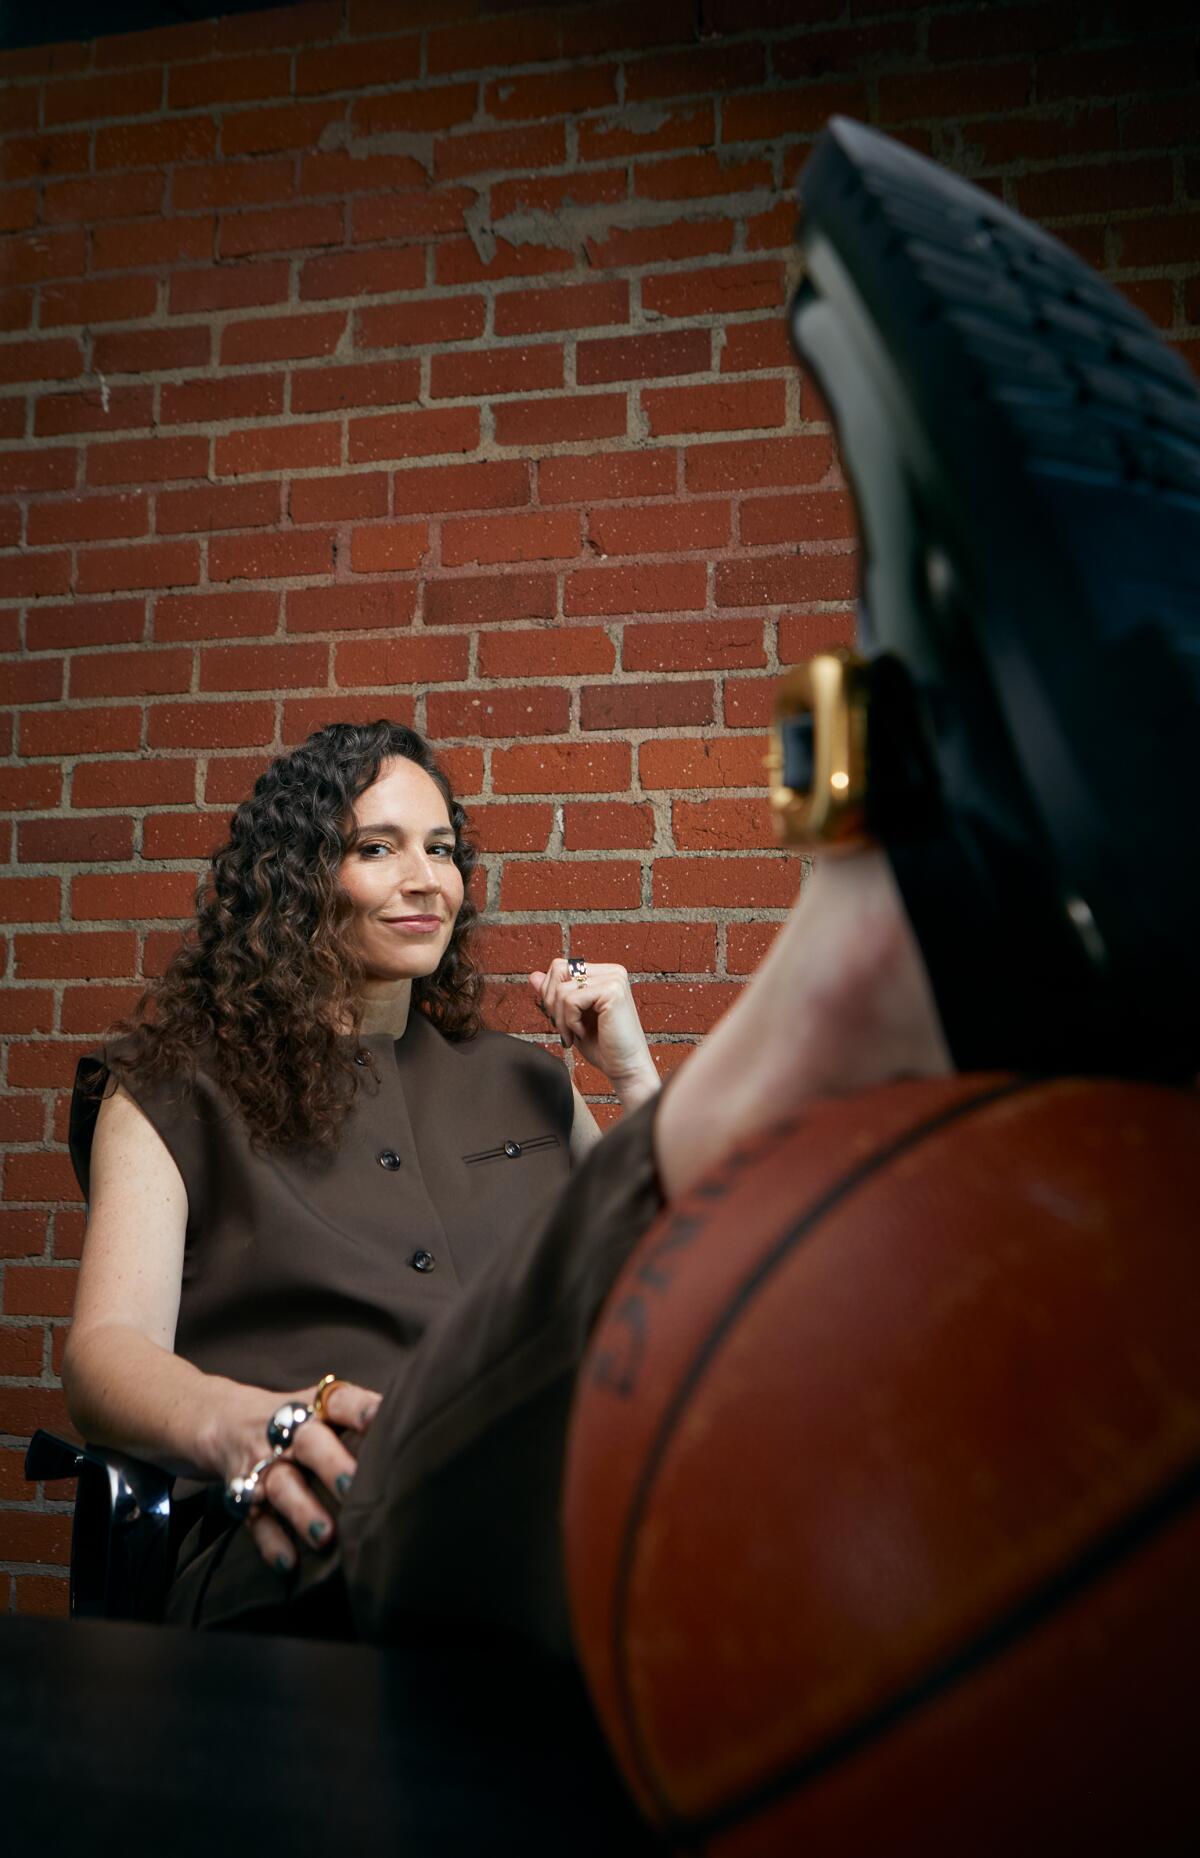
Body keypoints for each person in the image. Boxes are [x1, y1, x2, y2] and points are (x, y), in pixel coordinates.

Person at [63, 114, 1198, 1650]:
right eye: (378, 843)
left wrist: (638, 1071)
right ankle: (854, 985)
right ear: (293, 881)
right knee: (487, 1458)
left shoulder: (527, 1086)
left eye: (447, 846)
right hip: (321, 1536)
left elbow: (665, 1279)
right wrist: (240, 1426)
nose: (430, 876)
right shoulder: (173, 1080)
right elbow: (104, 1348)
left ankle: (897, 1031)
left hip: (603, 1509)